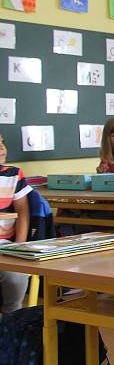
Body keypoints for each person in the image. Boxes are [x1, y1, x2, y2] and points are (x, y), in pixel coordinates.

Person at [0, 133, 31, 313]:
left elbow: (23, 212)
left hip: (5, 245)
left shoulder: (13, 174)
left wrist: (19, 247)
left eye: (2, 142)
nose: (1, 148)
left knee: (16, 276)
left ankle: (11, 320)